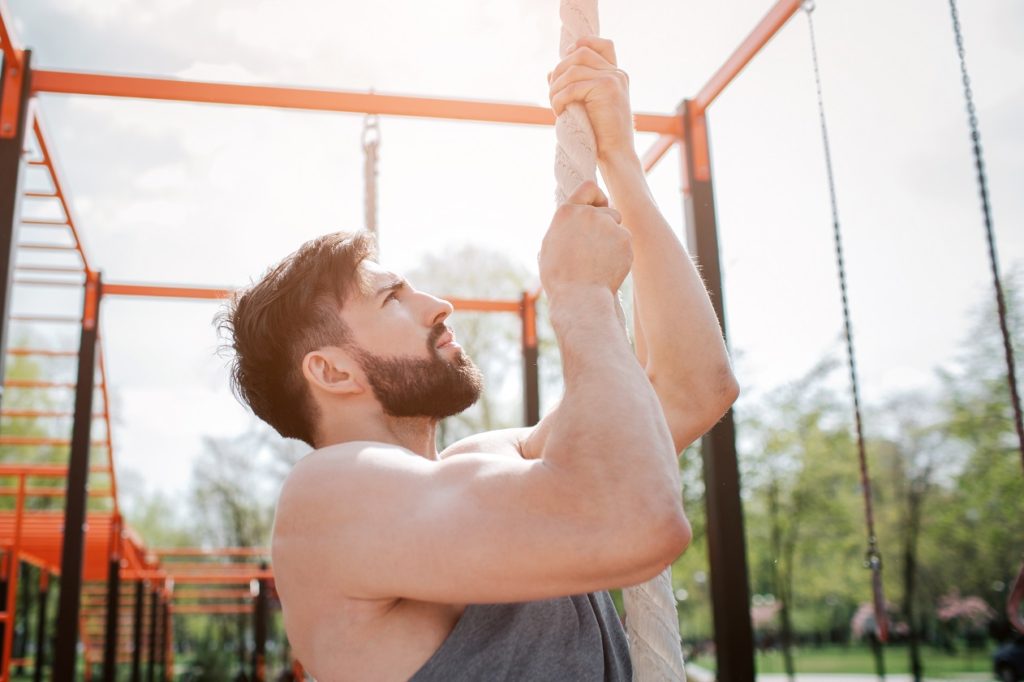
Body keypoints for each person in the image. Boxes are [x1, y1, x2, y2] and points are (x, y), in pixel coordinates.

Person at [220, 36, 738, 681]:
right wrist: (579, 296)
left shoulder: (489, 464)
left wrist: (621, 161)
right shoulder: (325, 496)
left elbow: (692, 388)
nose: (439, 304)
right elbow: (635, 522)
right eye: (392, 298)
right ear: (331, 371)